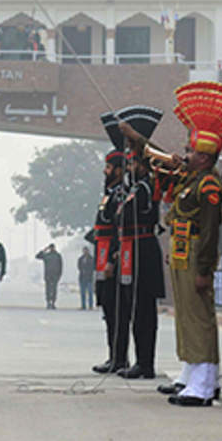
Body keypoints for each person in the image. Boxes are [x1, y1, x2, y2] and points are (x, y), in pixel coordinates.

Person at [149, 81, 222, 407]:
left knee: (199, 318)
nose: (187, 154)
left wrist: (205, 268)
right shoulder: (192, 180)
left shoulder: (208, 186)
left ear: (206, 158)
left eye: (193, 151)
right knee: (187, 318)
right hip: (182, 252)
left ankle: (204, 382)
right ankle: (192, 372)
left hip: (196, 254)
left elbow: (210, 231)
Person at [103, 104, 167, 380]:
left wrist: (139, 141)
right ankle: (137, 361)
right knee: (131, 309)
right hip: (131, 250)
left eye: (132, 161)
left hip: (144, 250)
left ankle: (146, 362)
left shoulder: (148, 183)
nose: (128, 165)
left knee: (144, 312)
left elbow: (125, 214)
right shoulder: (132, 186)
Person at [85, 150, 126, 373]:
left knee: (116, 310)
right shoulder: (110, 192)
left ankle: (119, 358)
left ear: (119, 170)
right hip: (101, 258)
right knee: (108, 311)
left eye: (109, 167)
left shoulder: (120, 194)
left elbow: (118, 229)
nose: (105, 171)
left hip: (110, 259)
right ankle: (113, 356)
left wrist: (112, 258)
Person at [35, 244, 63, 309]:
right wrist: (44, 250)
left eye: (52, 248)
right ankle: (48, 302)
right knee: (48, 289)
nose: (52, 249)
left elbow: (60, 266)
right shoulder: (46, 255)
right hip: (48, 275)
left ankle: (53, 302)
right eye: (50, 248)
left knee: (54, 290)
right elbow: (37, 256)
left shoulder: (58, 256)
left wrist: (59, 275)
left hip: (55, 275)